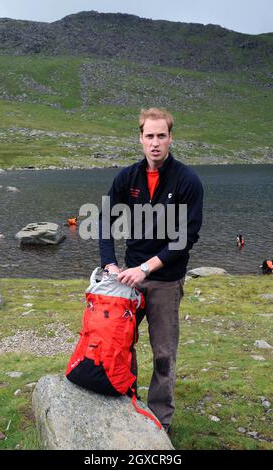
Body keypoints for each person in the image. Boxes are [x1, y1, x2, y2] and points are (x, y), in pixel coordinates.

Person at [99, 107, 203, 433]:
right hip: (129, 277)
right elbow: (104, 220)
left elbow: (184, 239)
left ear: (171, 138)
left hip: (164, 281)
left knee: (163, 354)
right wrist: (110, 263)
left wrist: (146, 268)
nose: (155, 143)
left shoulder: (187, 181)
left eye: (161, 136)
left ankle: (160, 425)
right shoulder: (127, 178)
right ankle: (124, 402)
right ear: (140, 139)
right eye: (149, 136)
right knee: (119, 343)